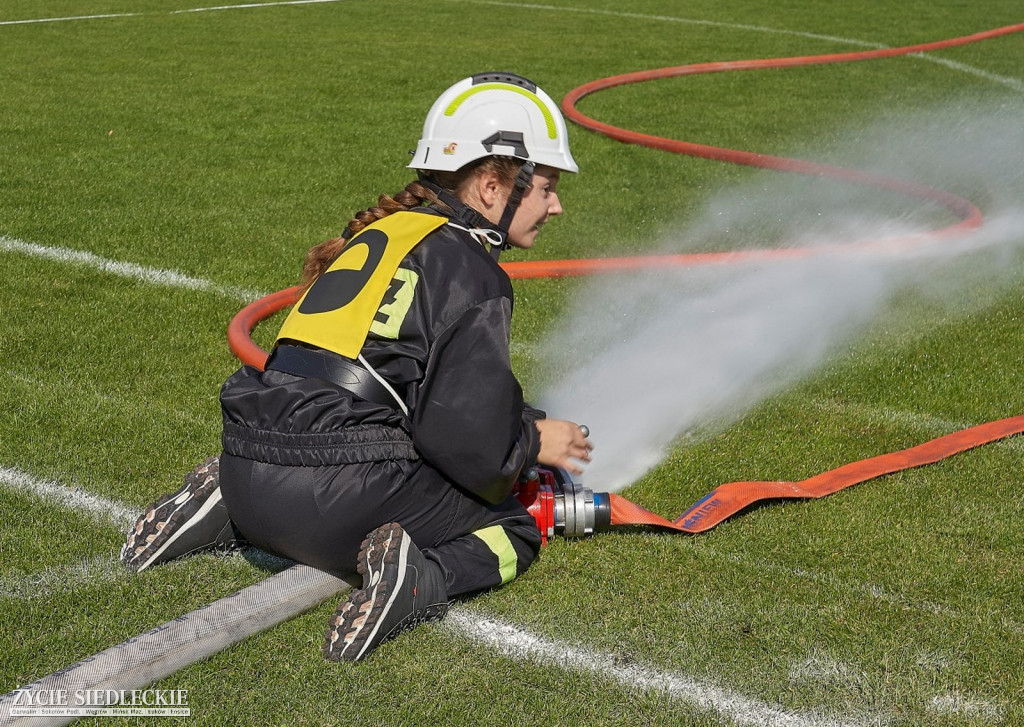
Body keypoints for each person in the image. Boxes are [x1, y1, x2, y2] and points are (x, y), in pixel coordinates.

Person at [120, 71, 593, 662]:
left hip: (244, 461)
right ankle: (418, 581)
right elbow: (464, 442)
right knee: (517, 522)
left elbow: (395, 375)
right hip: (334, 499)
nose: (557, 205)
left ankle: (225, 509)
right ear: (494, 185)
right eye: (546, 186)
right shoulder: (473, 270)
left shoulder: (383, 232)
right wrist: (529, 442)